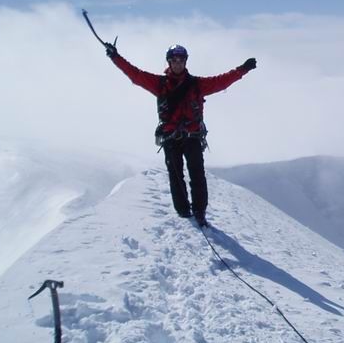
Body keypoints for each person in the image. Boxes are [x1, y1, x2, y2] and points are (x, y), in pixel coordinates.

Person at [105, 42, 256, 226]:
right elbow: (135, 74)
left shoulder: (196, 84)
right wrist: (115, 57)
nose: (178, 63)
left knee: (197, 175)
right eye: (174, 60)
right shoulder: (159, 84)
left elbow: (221, 81)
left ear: (185, 62)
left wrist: (243, 69)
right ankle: (184, 211)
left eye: (181, 60)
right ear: (169, 62)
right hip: (171, 138)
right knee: (176, 176)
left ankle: (199, 212)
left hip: (191, 137)